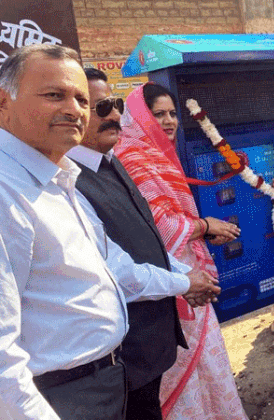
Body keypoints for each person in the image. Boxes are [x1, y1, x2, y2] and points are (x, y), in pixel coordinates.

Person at [0, 44, 218, 420]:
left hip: (109, 379)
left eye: (82, 99)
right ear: (3, 102)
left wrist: (183, 281)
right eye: (54, 95)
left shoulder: (60, 180)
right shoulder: (8, 193)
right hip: (61, 395)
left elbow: (113, 263)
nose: (74, 110)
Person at [65, 68, 225, 420]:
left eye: (116, 104)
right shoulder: (71, 181)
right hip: (124, 349)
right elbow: (118, 266)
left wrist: (186, 278)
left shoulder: (111, 163)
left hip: (158, 329)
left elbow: (144, 239)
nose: (114, 115)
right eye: (101, 107)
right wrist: (186, 278)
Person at [114, 83, 248, 420]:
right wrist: (204, 226)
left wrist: (203, 232)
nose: (170, 121)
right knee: (181, 371)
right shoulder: (131, 159)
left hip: (190, 279)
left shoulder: (159, 156)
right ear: (139, 118)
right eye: (158, 114)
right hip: (166, 286)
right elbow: (157, 229)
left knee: (207, 364)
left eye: (173, 113)